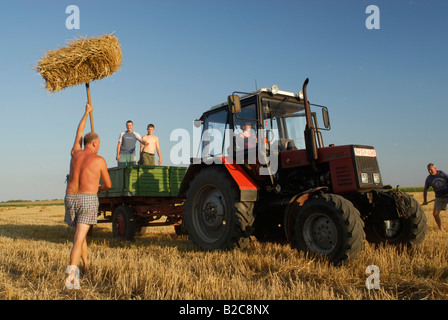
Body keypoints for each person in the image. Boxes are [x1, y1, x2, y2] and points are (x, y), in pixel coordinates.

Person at [64, 103, 111, 281]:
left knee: (80, 236)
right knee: (78, 240)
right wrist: (100, 188)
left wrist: (86, 113)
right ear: (93, 143)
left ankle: (87, 265)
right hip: (88, 199)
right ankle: (71, 277)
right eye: (98, 143)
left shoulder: (75, 152)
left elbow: (79, 132)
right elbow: (108, 184)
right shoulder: (99, 160)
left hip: (70, 198)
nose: (99, 146)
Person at [422, 163, 448, 231]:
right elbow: (425, 189)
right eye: (428, 170)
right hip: (439, 197)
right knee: (435, 214)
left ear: (435, 168)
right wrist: (425, 200)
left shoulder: (442, 174)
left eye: (431, 170)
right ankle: (441, 228)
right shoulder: (429, 178)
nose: (430, 172)